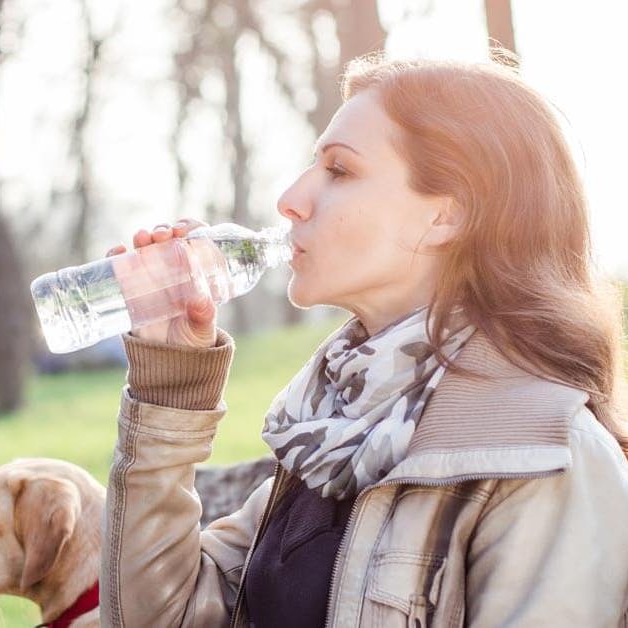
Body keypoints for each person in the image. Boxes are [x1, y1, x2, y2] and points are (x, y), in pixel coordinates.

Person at [99, 53, 628, 628]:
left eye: (339, 170)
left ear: (446, 216)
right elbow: (163, 618)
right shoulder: (332, 432)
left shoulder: (546, 457)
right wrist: (171, 381)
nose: (291, 199)